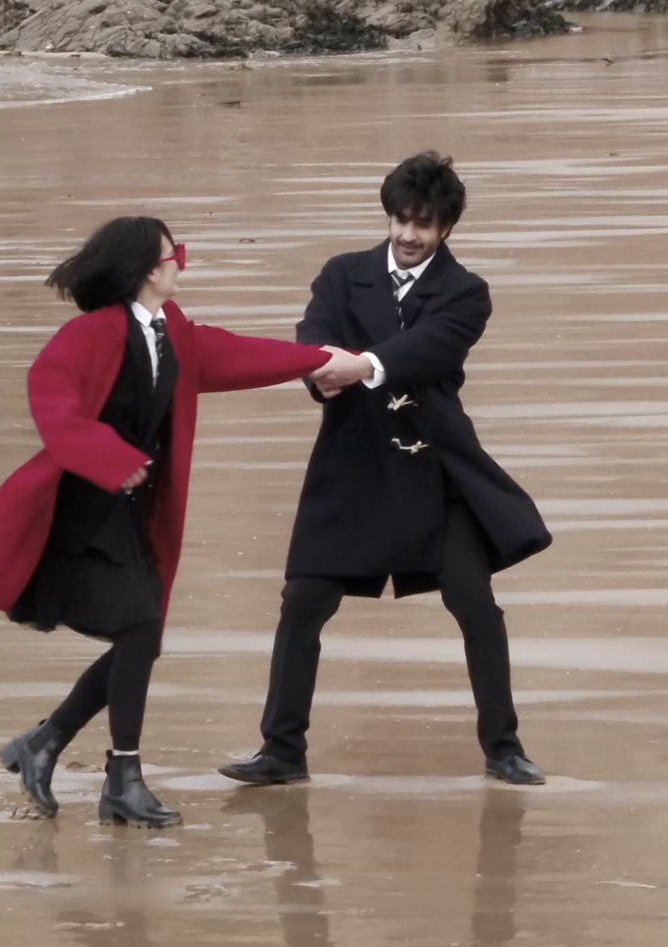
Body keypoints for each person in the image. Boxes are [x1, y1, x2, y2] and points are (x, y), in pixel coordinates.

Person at [0, 217, 371, 826]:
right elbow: (53, 404)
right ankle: (116, 776)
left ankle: (46, 746)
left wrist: (319, 359)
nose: (180, 262)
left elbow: (233, 354)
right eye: (176, 254)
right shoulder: (87, 335)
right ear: (150, 267)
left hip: (131, 513)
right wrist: (111, 459)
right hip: (80, 512)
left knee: (139, 638)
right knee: (141, 631)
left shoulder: (171, 330)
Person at [219, 152, 552, 788]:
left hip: (437, 468)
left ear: (446, 228)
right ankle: (281, 751)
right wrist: (319, 371)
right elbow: (312, 339)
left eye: (422, 224)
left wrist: (363, 365)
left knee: (474, 603)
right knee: (304, 602)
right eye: (400, 218)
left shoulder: (465, 292)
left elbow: (428, 350)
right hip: (352, 463)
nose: (407, 234)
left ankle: (504, 748)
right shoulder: (342, 275)